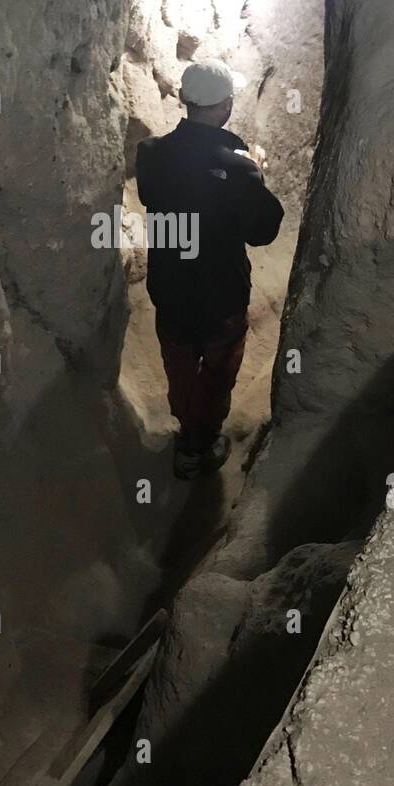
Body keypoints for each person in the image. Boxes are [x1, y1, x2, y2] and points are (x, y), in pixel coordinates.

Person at [135, 59, 284, 480]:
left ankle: (187, 428)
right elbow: (262, 231)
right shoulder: (239, 167)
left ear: (184, 99)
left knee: (179, 362)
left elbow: (153, 192)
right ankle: (197, 445)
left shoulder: (150, 154)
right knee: (217, 371)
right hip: (221, 292)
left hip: (170, 285)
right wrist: (253, 173)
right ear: (226, 107)